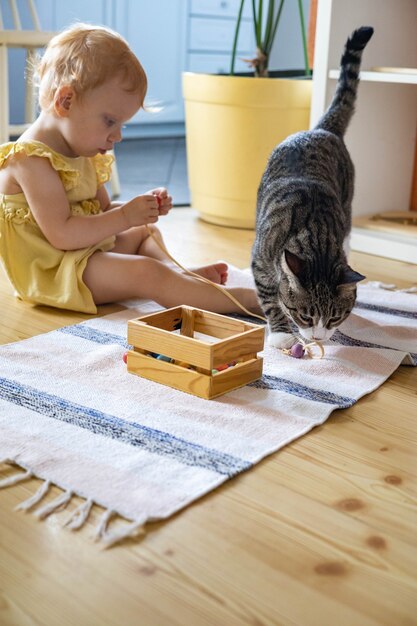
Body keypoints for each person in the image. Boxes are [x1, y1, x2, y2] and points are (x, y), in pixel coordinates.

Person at [0, 23, 260, 316]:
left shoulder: (81, 148)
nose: (118, 136)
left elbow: (103, 210)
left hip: (82, 255)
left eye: (121, 125)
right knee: (145, 273)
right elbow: (63, 234)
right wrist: (125, 216)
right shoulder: (31, 160)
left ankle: (180, 276)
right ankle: (243, 300)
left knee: (142, 229)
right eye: (110, 121)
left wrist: (141, 209)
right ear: (66, 101)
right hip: (56, 271)